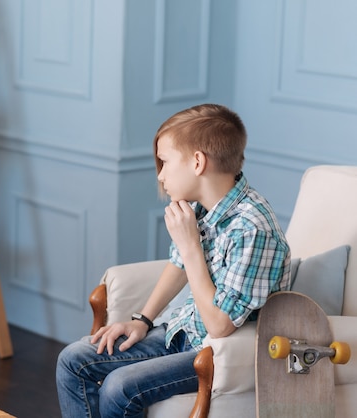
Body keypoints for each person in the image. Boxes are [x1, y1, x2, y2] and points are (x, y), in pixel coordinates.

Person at [56, 104, 292, 417]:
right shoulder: (203, 207)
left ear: (197, 162)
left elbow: (220, 326)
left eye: (165, 162)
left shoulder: (253, 229)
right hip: (184, 333)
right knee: (73, 360)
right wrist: (142, 320)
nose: (160, 174)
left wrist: (191, 244)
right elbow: (178, 264)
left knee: (118, 386)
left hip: (216, 354)